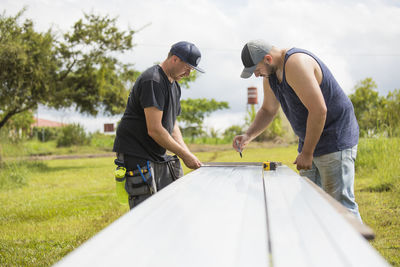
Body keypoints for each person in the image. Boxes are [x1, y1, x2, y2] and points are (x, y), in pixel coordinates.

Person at [233, 40, 362, 221]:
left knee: (340, 206)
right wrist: (248, 135)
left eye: (256, 69)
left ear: (268, 58)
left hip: (334, 136)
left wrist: (307, 153)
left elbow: (319, 110)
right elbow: (268, 110)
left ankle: (356, 249)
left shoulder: (296, 63)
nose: (256, 74)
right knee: (309, 203)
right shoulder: (270, 77)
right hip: (309, 138)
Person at [113, 41, 203, 209]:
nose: (188, 74)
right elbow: (155, 129)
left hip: (157, 155)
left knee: (171, 207)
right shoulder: (152, 81)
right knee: (146, 212)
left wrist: (187, 152)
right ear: (175, 59)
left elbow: (172, 123)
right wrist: (184, 155)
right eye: (187, 68)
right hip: (138, 154)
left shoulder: (175, 86)